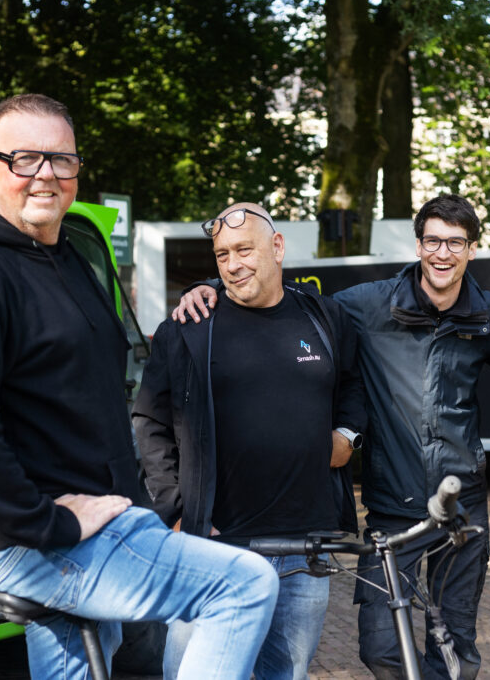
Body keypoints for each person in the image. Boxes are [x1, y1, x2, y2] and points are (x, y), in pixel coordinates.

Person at [0, 93, 278, 680]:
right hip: (31, 534)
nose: (45, 174)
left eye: (61, 159)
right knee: (243, 585)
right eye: (24, 159)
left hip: (94, 516)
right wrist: (47, 522)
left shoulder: (69, 260)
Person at [174, 194, 490, 679]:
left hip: (463, 502)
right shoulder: (369, 304)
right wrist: (207, 286)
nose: (443, 253)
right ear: (418, 245)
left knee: (455, 647)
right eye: (433, 241)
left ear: (472, 250)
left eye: (455, 243)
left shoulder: (487, 313)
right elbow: (282, 294)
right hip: (394, 504)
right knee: (381, 648)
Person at [133, 203, 366, 680]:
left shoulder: (325, 317)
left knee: (287, 673)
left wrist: (347, 435)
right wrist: (176, 513)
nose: (233, 264)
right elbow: (149, 421)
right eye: (222, 255)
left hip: (305, 546)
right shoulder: (189, 327)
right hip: (216, 546)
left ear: (277, 247)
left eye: (245, 250)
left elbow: (353, 386)